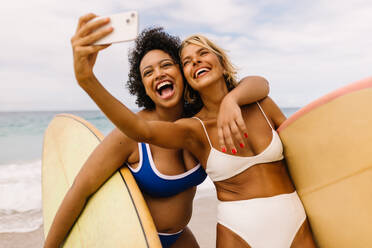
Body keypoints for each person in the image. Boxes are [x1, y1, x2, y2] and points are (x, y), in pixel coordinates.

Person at [43, 14, 270, 248]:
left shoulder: (198, 121)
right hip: (137, 241)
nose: (158, 74)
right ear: (144, 88)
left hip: (181, 238)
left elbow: (259, 84)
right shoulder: (130, 135)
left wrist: (231, 100)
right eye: (148, 73)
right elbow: (79, 191)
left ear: (182, 72)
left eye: (166, 65)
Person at [77, 29, 318, 248]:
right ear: (188, 79)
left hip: (296, 223)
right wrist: (88, 82)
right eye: (187, 62)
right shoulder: (193, 129)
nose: (196, 61)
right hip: (238, 233)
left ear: (222, 63)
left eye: (203, 53)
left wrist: (231, 101)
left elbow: (263, 85)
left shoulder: (262, 105)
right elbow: (142, 130)